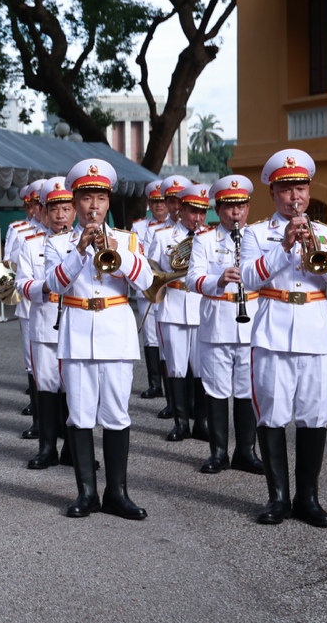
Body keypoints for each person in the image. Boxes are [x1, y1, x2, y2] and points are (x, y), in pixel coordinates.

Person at [240, 149, 327, 526]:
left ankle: (307, 498)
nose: (295, 197)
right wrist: (285, 247)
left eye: (300, 188)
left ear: (308, 191)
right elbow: (248, 279)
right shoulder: (257, 233)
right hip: (272, 335)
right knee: (272, 416)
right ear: (273, 193)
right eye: (287, 189)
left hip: (316, 335)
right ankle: (277, 499)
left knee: (314, 417)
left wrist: (323, 254)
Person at [45, 159, 154, 520]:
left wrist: (116, 254)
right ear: (74, 202)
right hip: (76, 334)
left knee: (116, 415)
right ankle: (86, 492)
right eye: (87, 198)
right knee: (79, 416)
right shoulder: (60, 243)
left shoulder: (126, 239)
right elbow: (55, 285)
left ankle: (117, 493)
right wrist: (80, 251)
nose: (94, 206)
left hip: (116, 334)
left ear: (109, 202)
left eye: (101, 199)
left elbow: (146, 282)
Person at [185, 175, 263, 475]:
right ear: (219, 208)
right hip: (217, 323)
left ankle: (246, 451)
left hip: (250, 324)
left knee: (246, 390)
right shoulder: (205, 239)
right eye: (229, 207)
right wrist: (218, 279)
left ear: (247, 208)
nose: (235, 213)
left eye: (240, 206)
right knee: (216, 390)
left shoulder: (257, 237)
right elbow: (192, 280)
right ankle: (218, 453)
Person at [15, 176, 74, 469]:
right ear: (43, 210)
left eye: (66, 208)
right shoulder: (29, 244)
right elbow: (21, 284)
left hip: (76, 325)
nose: (60, 215)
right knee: (47, 387)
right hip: (43, 322)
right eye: (54, 209)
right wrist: (45, 287)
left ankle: (74, 449)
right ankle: (47, 447)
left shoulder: (84, 242)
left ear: (74, 210)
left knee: (74, 388)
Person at [148, 183, 210, 442]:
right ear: (181, 209)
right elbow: (151, 271)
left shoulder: (210, 236)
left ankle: (202, 422)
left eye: (202, 212)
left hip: (200, 306)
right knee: (175, 367)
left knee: (201, 368)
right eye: (193, 211)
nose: (197, 218)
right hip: (173, 305)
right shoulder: (163, 236)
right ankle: (180, 422)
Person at [8, 180, 46, 434]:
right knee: (34, 363)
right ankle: (38, 418)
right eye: (36, 204)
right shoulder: (20, 231)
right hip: (31, 303)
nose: (37, 209)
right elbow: (7, 263)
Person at [131, 180, 170, 400]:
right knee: (150, 337)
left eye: (162, 201)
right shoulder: (138, 227)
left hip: (169, 288)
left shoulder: (173, 226)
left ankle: (170, 384)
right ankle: (155, 383)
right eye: (155, 201)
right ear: (149, 203)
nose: (159, 206)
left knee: (167, 338)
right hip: (147, 286)